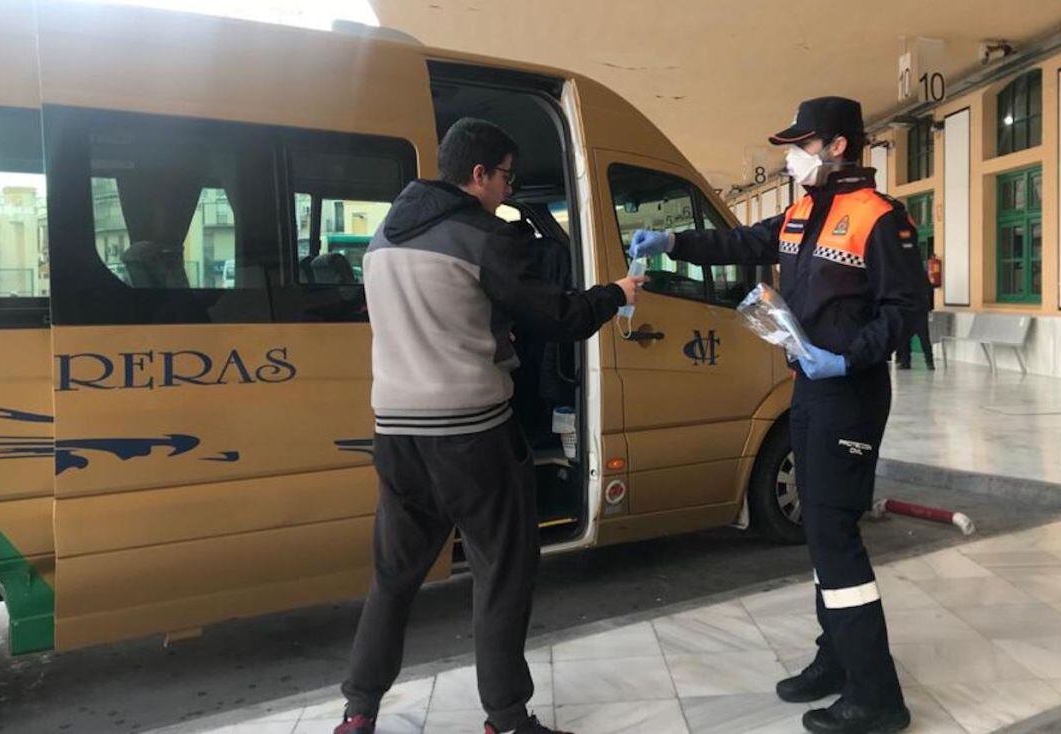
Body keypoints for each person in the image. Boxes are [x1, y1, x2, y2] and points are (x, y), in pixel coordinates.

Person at [335, 117, 646, 734]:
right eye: (506, 176)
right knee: (503, 569)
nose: (508, 189)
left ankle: (359, 711)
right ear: (478, 174)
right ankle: (505, 718)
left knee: (395, 576)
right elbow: (557, 316)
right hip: (471, 435)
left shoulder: (382, 239)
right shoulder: (479, 237)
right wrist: (616, 292)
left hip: (396, 434)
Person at [629, 97, 925, 734]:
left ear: (838, 146)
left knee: (834, 532)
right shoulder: (797, 214)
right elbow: (737, 242)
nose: (793, 156)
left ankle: (878, 695)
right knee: (820, 534)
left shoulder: (879, 219)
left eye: (804, 144)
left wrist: (845, 361)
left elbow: (905, 312)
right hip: (809, 391)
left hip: (848, 390)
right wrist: (673, 240)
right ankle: (836, 659)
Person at [895, 285, 935, 370]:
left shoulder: (904, 279)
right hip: (920, 311)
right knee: (923, 339)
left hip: (908, 311)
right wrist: (930, 307)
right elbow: (930, 290)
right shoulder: (921, 277)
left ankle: (906, 362)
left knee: (906, 338)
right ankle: (929, 362)